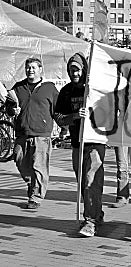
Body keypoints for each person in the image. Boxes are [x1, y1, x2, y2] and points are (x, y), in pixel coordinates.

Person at [54, 52, 106, 237]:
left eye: (76, 69)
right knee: (83, 182)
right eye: (70, 70)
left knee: (91, 181)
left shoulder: (94, 88)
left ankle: (90, 221)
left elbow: (110, 108)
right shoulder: (66, 91)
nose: (74, 73)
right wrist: (74, 116)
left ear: (84, 69)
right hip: (77, 144)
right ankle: (96, 213)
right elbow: (58, 117)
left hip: (95, 143)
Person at [7, 57, 59, 209]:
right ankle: (31, 183)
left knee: (39, 166)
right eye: (28, 67)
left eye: (33, 67)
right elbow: (9, 107)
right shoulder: (18, 87)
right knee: (19, 159)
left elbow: (57, 110)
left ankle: (36, 197)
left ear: (40, 69)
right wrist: (12, 110)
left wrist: (64, 128)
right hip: (22, 132)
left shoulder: (49, 88)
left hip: (41, 134)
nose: (30, 70)